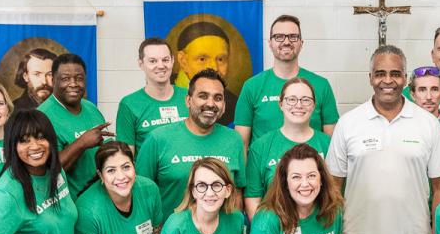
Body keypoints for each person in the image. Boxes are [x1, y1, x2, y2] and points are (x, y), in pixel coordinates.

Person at [327, 46, 440, 234]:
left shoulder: (427, 124)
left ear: (405, 78)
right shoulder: (349, 123)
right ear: (370, 77)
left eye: (395, 74)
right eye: (380, 73)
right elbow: (333, 188)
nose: (388, 80)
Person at [138, 69, 245, 211]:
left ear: (224, 106)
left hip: (221, 225)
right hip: (170, 225)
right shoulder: (158, 139)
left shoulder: (233, 139)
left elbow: (237, 193)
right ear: (188, 101)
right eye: (203, 96)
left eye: (218, 98)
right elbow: (140, 193)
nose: (211, 103)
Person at [235, 15, 339, 148]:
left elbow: (332, 145)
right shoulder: (252, 86)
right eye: (279, 37)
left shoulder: (321, 85)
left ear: (301, 43)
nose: (286, 42)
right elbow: (241, 145)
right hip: (265, 162)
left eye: (293, 37)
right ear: (270, 43)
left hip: (311, 161)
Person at [244, 78, 332, 216]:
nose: (299, 105)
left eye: (306, 100)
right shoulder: (261, 146)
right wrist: (264, 228)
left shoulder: (328, 144)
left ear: (314, 105)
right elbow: (253, 199)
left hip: (318, 226)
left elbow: (335, 193)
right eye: (291, 99)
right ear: (281, 104)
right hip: (275, 227)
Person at [38, 52, 113, 190]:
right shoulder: (41, 117)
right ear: (53, 80)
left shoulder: (90, 107)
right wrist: (82, 143)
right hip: (74, 200)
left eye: (79, 78)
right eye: (65, 79)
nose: (73, 84)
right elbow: (46, 171)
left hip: (103, 193)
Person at [116, 38, 187, 150]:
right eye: (153, 61)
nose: (161, 66)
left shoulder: (190, 97)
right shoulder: (129, 104)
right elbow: (126, 156)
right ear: (141, 64)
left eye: (165, 60)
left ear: (173, 61)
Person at [172, 21, 240, 121]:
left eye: (220, 59)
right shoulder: (164, 92)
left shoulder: (235, 105)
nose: (214, 67)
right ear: (183, 60)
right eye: (202, 59)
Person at [11, 47, 56, 112]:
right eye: (37, 74)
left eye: (50, 74)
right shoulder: (13, 110)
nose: (44, 82)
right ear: (26, 77)